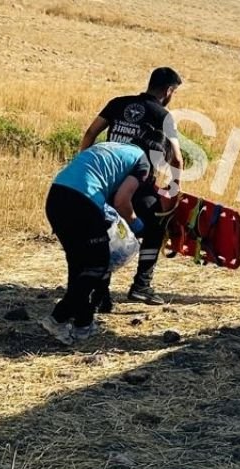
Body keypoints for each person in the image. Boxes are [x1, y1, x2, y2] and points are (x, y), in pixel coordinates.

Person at [41, 140, 164, 345]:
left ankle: (83, 323)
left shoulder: (112, 147)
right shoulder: (143, 162)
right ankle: (58, 318)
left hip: (56, 196)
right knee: (98, 265)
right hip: (82, 199)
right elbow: (122, 201)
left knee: (79, 264)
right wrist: (137, 226)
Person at [80, 67, 184, 306]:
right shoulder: (163, 115)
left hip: (106, 182)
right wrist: (175, 189)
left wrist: (87, 165)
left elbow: (90, 133)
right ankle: (141, 285)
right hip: (139, 184)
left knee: (105, 234)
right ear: (169, 91)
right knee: (154, 229)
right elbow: (176, 158)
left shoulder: (118, 103)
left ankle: (100, 293)